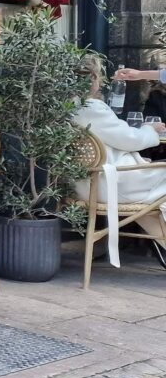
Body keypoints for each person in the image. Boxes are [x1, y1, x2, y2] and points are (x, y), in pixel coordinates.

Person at [75, 57, 166, 269]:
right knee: (158, 196)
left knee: (152, 206)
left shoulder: (68, 108)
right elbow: (129, 139)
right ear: (94, 79)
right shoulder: (92, 107)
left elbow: (114, 141)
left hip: (91, 182)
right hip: (113, 183)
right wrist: (149, 130)